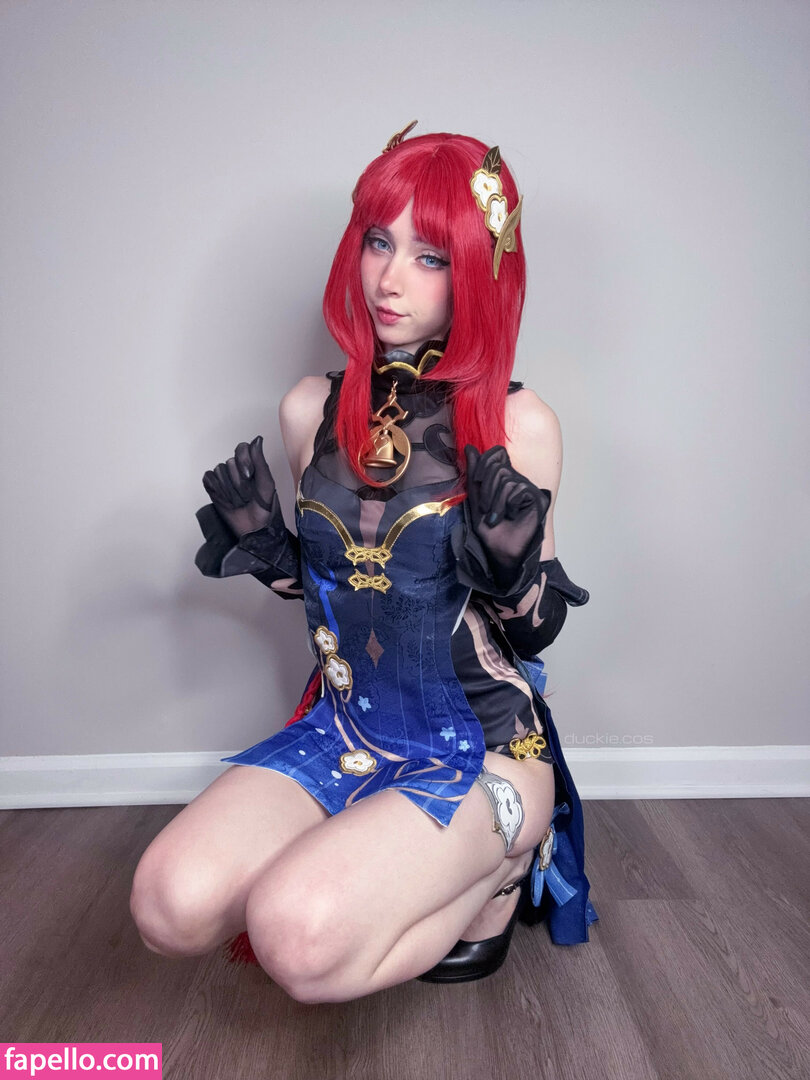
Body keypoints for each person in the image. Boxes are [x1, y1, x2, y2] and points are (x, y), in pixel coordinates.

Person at [130, 124, 598, 1003]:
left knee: (296, 938)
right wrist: (267, 545)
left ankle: (504, 866)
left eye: (431, 257)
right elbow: (336, 593)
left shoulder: (519, 424)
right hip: (348, 729)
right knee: (168, 905)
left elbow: (535, 633)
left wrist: (511, 569)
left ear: (480, 271)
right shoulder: (310, 409)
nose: (389, 279)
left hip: (485, 747)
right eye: (380, 242)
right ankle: (378, 853)